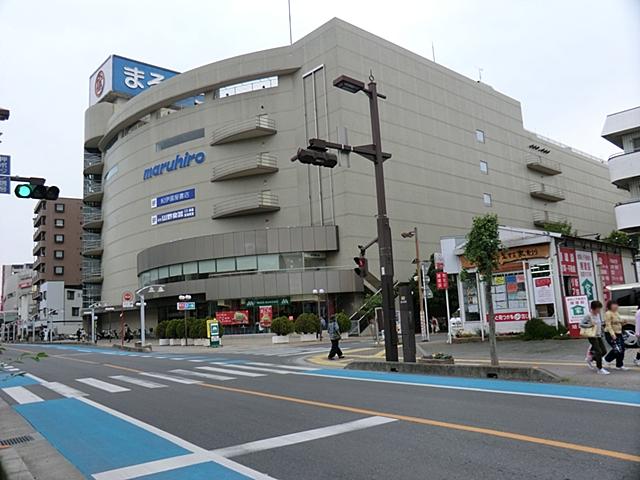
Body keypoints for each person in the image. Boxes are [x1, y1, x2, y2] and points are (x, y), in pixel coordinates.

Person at [580, 300, 608, 375]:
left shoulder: (598, 315)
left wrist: (602, 329)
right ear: (593, 308)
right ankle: (600, 369)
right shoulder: (588, 316)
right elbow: (581, 324)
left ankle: (591, 359)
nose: (599, 310)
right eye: (598, 308)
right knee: (598, 351)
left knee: (604, 351)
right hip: (592, 336)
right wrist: (590, 325)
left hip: (598, 335)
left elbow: (599, 324)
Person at [603, 301, 629, 370]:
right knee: (617, 349)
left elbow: (618, 323)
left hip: (619, 333)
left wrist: (624, 323)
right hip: (610, 333)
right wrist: (612, 334)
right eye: (613, 305)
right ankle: (606, 359)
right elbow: (608, 325)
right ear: (610, 306)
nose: (615, 306)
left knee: (622, 348)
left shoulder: (616, 313)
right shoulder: (608, 313)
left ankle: (619, 365)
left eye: (616, 305)